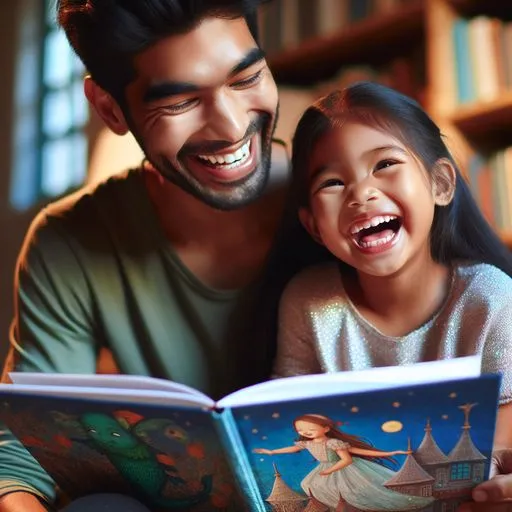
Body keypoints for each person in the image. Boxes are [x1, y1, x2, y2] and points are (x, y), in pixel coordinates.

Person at [0, 0, 288, 510]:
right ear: (110, 109)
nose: (230, 126)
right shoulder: (69, 241)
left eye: (246, 78)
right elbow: (26, 455)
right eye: (180, 103)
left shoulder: (361, 202)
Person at [262, 82, 512, 511]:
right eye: (334, 182)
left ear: (440, 184)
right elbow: (287, 416)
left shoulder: (490, 298)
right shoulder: (307, 301)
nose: (362, 194)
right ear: (313, 226)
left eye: (385, 164)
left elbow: (500, 450)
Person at [254, 413, 433, 510]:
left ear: (325, 428)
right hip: (325, 469)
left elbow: (347, 459)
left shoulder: (332, 442)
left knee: (356, 489)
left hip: (343, 468)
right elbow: (293, 448)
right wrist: (271, 451)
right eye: (301, 429)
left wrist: (330, 471)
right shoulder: (306, 443)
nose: (305, 432)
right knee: (308, 483)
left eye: (310, 429)